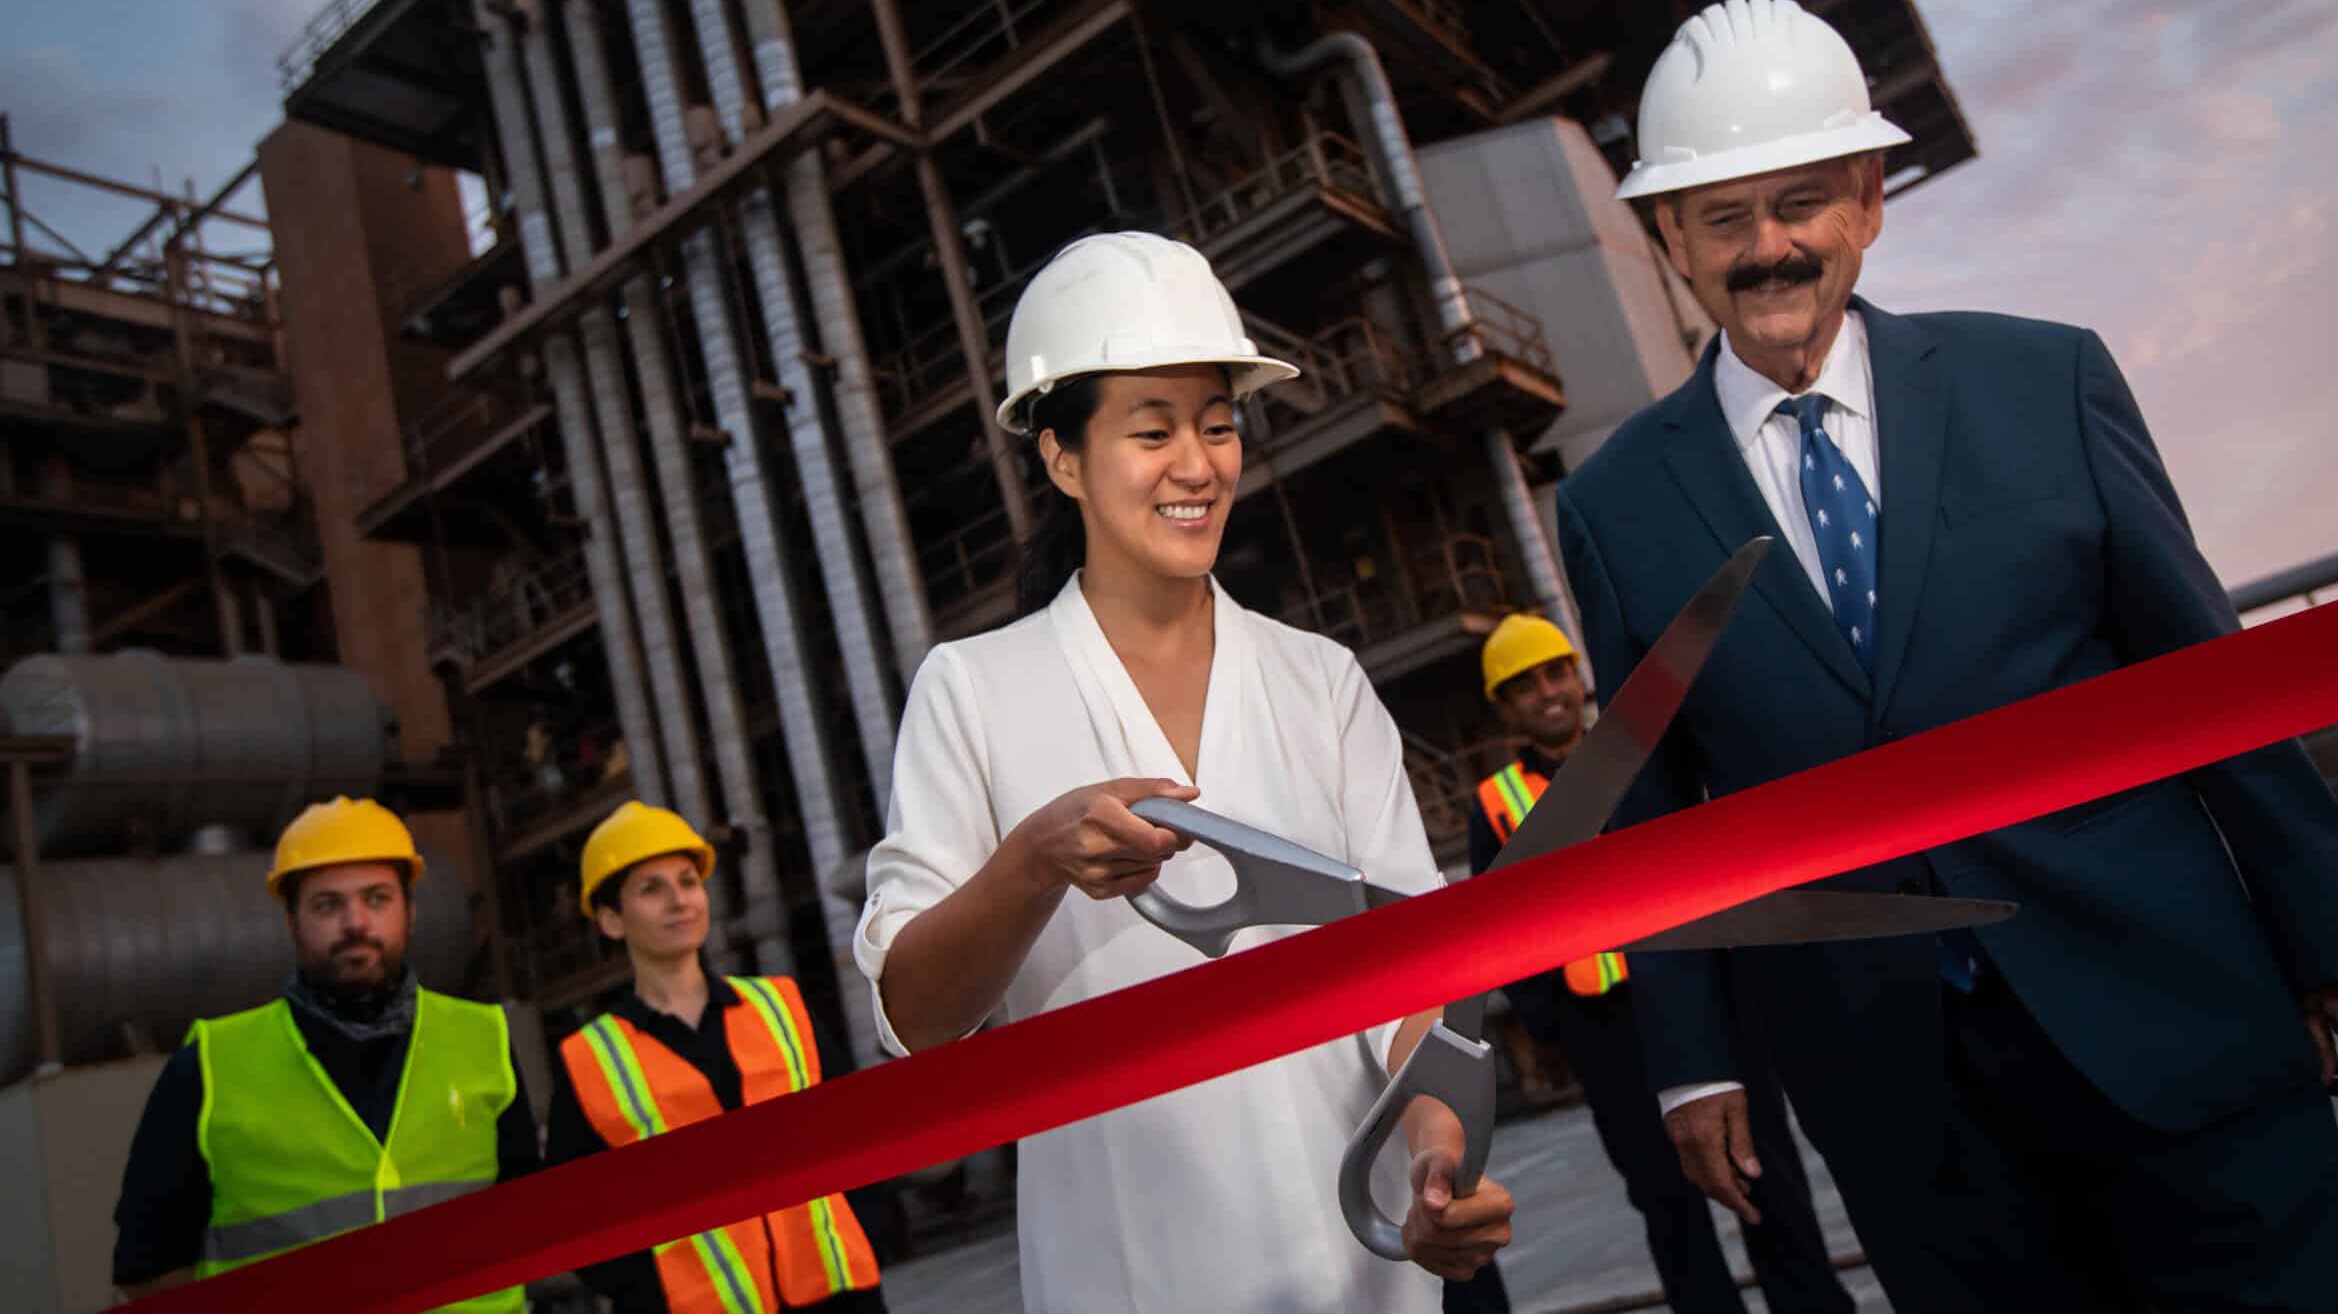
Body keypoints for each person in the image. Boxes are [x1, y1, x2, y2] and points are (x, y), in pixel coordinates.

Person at [1555, 0, 2338, 1312]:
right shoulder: (1613, 507)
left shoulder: (2045, 386)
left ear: (1867, 199)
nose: (1770, 249)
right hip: (1905, 1100)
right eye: (1725, 218)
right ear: (1667, 236)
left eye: (1802, 203)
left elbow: (2209, 685)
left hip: (2172, 1013)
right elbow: (1650, 798)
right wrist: (1693, 1061)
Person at [855, 229, 1515, 1314]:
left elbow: (1412, 972)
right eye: (1151, 430)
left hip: (1359, 1268)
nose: (1198, 464)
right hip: (1128, 1277)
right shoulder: (974, 690)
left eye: (1217, 426)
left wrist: (1441, 1161)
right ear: (1061, 457)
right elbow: (917, 1019)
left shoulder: (1321, 681)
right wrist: (1033, 863)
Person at [1468, 614, 1851, 1314]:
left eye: (1554, 673)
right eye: (1524, 686)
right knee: (1668, 1209)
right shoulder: (1498, 805)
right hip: (1608, 1029)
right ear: (1504, 706)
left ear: (1578, 677)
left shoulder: (1648, 757)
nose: (1546, 693)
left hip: (1711, 1004)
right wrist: (1561, 1031)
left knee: (1764, 1175)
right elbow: (1498, 929)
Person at [110, 797, 536, 1309]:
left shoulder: (483, 1038)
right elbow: (148, 1271)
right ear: (292, 923)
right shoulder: (209, 1067)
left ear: (410, 912)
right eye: (327, 905)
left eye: (377, 899)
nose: (355, 923)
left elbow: (530, 1223)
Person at [545, 800, 888, 1314]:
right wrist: (647, 1291)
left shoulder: (781, 1007)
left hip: (838, 1294)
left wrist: (870, 1226)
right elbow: (574, 1218)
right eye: (651, 889)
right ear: (612, 920)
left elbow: (854, 1136)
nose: (679, 900)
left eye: (687, 881)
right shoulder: (590, 1060)